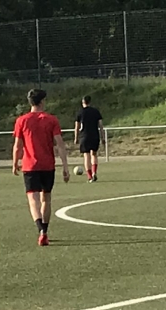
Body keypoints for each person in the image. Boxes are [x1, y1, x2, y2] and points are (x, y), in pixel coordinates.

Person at [11, 88, 70, 246]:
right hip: (47, 165)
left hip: (30, 166)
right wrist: (65, 166)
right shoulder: (51, 120)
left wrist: (15, 162)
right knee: (46, 199)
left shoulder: (21, 121)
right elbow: (60, 144)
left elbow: (17, 146)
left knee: (33, 200)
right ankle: (45, 230)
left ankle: (41, 230)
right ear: (42, 101)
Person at [73, 96, 105, 182]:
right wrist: (102, 137)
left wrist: (76, 138)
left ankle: (90, 176)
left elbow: (77, 127)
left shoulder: (80, 112)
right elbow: (101, 125)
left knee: (86, 155)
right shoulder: (95, 111)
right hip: (94, 136)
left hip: (84, 136)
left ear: (83, 102)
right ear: (90, 102)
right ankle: (94, 172)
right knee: (94, 154)